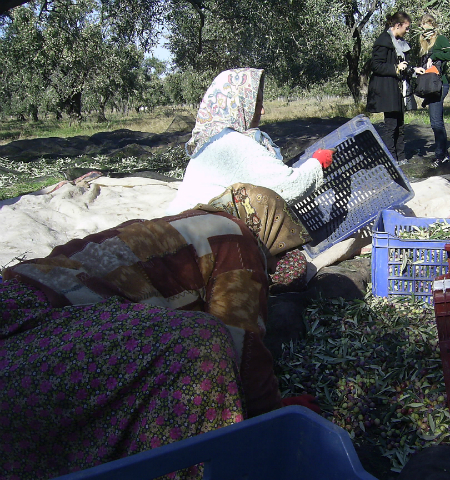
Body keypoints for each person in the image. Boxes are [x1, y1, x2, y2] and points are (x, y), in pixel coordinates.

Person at [0, 187, 319, 478]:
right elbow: (242, 345)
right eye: (278, 254)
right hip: (49, 321)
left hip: (19, 303)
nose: (275, 268)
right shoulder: (238, 239)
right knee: (202, 342)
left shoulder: (191, 225)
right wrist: (273, 417)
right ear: (267, 228)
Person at [166, 68, 333, 216]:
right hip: (201, 233)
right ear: (238, 105)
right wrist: (317, 162)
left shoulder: (210, 141)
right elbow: (286, 187)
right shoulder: (234, 143)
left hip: (181, 224)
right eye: (256, 103)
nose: (263, 110)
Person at [366, 11, 425, 164]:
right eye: (406, 27)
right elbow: (376, 66)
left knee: (400, 124)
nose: (408, 31)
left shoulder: (400, 43)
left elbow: (402, 65)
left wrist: (413, 70)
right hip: (387, 88)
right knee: (391, 125)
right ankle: (391, 159)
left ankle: (401, 156)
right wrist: (395, 68)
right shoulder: (383, 41)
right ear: (398, 25)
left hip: (398, 87)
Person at [418, 13, 450, 166]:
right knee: (436, 121)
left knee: (435, 122)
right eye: (422, 27)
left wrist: (434, 55)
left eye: (427, 26)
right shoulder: (424, 44)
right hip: (430, 85)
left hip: (440, 84)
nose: (424, 30)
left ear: (433, 27)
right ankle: (444, 154)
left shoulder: (440, 40)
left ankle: (440, 155)